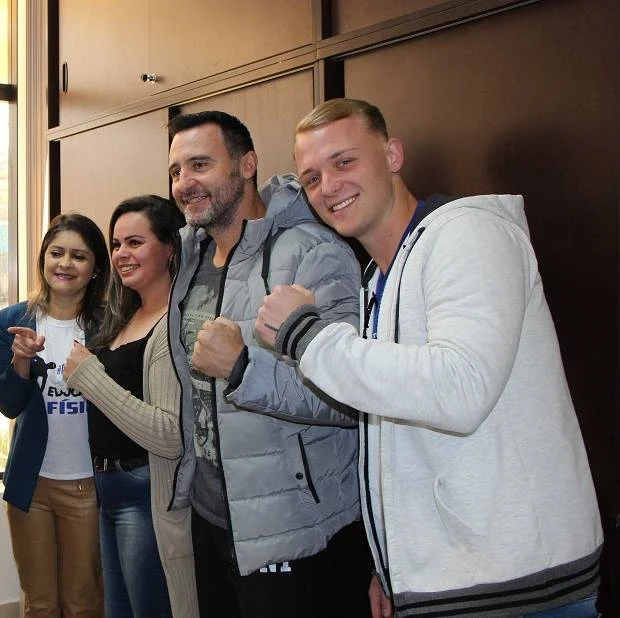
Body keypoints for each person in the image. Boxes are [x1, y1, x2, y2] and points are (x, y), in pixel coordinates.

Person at [256, 98, 603, 618]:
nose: (328, 186)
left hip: (516, 585)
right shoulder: (380, 278)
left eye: (344, 162)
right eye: (311, 178)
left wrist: (306, 335)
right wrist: (395, 565)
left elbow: (460, 389)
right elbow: (398, 427)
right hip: (444, 577)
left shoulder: (466, 235)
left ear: (392, 155)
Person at [165, 110, 368, 617]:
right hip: (213, 516)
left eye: (200, 165)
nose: (184, 183)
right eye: (175, 171)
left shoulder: (311, 253)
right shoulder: (192, 257)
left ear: (247, 165)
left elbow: (351, 397)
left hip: (292, 527)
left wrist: (242, 369)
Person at [65, 195, 196, 618]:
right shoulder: (125, 317)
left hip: (144, 493)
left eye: (135, 242)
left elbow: (170, 435)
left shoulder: (173, 324)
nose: (122, 254)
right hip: (109, 490)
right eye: (117, 244)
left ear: (170, 248)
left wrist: (91, 377)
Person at [0, 213, 107, 617]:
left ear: (95, 268)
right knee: (39, 603)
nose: (65, 264)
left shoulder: (111, 323)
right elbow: (7, 403)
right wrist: (21, 362)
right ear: (43, 258)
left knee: (82, 601)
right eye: (56, 253)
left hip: (87, 483)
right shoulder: (12, 321)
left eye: (79, 256)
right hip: (31, 483)